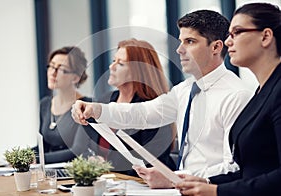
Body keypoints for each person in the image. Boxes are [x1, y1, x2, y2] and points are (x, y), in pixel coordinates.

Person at [71, 10, 253, 188]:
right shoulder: (185, 90)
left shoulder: (236, 96)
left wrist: (176, 178)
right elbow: (144, 113)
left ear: (216, 47)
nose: (179, 50)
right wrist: (96, 110)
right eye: (181, 41)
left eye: (190, 42)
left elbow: (234, 167)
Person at [174, 3, 281, 196]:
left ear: (265, 36)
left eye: (236, 32)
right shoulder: (261, 91)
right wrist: (204, 182)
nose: (228, 42)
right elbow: (250, 170)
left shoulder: (275, 91)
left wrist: (216, 191)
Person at [91, 38, 176, 176]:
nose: (111, 67)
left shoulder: (153, 110)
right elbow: (90, 147)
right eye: (114, 61)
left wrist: (106, 167)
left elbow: (150, 165)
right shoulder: (106, 100)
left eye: (121, 64)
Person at [33, 46, 95, 164]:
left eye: (61, 69)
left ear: (75, 78)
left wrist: (37, 159)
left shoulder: (86, 106)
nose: (53, 73)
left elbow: (77, 151)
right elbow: (42, 147)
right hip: (49, 173)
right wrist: (22, 156)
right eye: (51, 66)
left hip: (74, 173)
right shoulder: (45, 104)